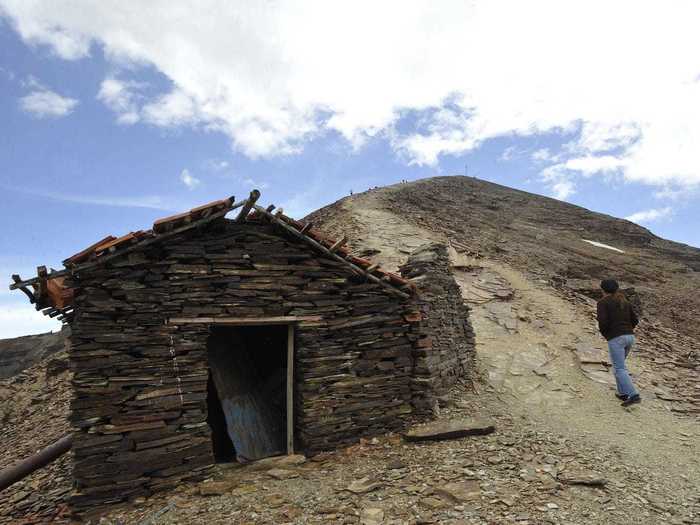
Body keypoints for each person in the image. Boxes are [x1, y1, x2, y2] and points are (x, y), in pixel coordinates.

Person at [596, 279, 641, 407]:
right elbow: (635, 320)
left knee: (620, 368)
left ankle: (633, 395)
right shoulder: (624, 301)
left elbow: (603, 322)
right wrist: (627, 330)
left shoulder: (602, 302)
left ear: (603, 289)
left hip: (616, 338)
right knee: (618, 366)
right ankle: (623, 393)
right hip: (630, 337)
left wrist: (607, 335)